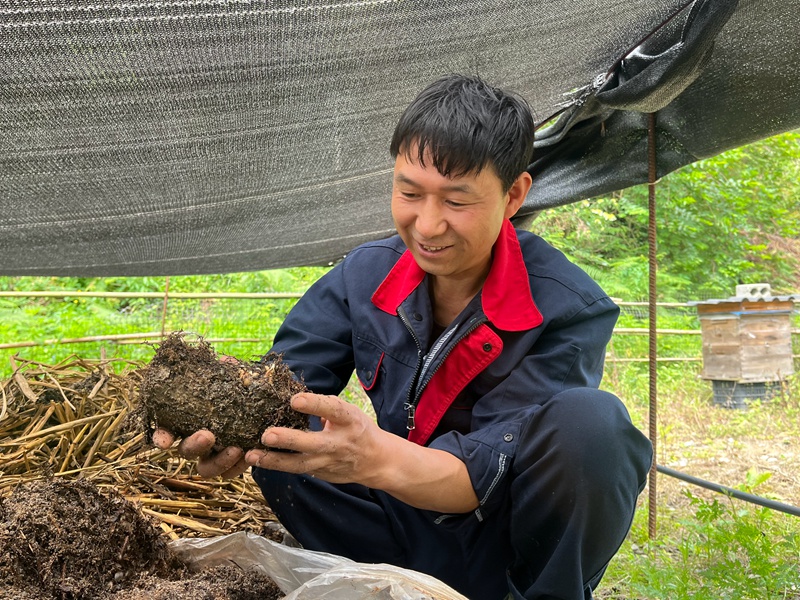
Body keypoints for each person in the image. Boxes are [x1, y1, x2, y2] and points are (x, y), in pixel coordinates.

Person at [154, 74, 653, 600]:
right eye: (410, 193)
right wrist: (222, 419)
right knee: (283, 430)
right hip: (389, 525)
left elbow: (482, 475)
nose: (428, 225)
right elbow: (282, 381)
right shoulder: (364, 274)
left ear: (513, 195)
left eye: (457, 201)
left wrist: (372, 456)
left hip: (503, 542)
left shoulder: (566, 307)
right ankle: (385, 586)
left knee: (593, 427)